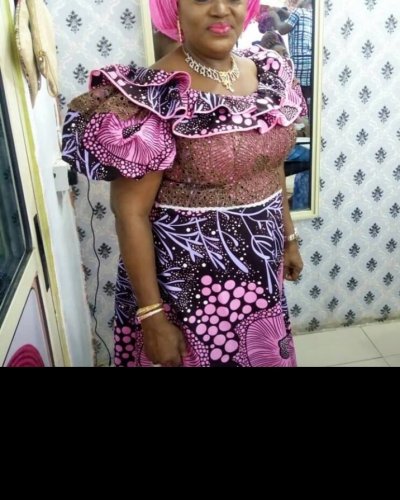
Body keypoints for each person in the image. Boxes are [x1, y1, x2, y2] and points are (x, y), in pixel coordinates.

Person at [62, 0, 304, 367]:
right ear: (174, 7)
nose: (221, 9)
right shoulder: (154, 95)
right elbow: (130, 213)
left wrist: (289, 237)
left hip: (261, 273)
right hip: (187, 291)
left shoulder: (269, 73)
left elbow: (272, 166)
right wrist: (152, 318)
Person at [268, 0, 313, 100]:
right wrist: (281, 10)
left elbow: (282, 29)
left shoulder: (298, 12)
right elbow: (292, 16)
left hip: (299, 64)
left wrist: (274, 15)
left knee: (298, 95)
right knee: (307, 95)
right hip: (310, 63)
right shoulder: (311, 15)